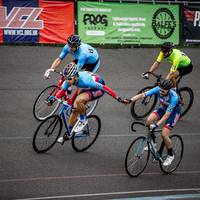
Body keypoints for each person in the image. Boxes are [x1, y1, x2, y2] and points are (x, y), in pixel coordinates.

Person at [56, 61, 127, 143]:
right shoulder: (70, 79)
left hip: (97, 89)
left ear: (75, 77)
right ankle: (68, 133)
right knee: (74, 110)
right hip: (87, 88)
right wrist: (52, 98)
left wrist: (118, 98)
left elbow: (105, 88)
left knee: (79, 100)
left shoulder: (86, 81)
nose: (67, 81)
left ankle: (83, 120)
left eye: (69, 79)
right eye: (66, 78)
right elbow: (61, 91)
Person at [129, 79, 181, 166]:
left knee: (164, 134)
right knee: (149, 120)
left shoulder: (174, 97)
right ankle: (153, 142)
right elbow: (143, 95)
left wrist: (156, 124)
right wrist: (130, 100)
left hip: (173, 113)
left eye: (163, 91)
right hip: (163, 108)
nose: (160, 92)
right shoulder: (157, 89)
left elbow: (167, 115)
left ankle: (170, 155)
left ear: (168, 91)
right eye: (160, 90)